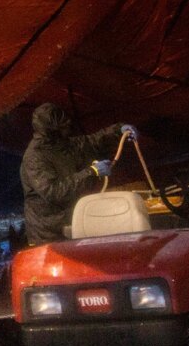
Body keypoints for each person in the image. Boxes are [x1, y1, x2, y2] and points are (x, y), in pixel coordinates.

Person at [20, 103, 129, 245]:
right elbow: (54, 192)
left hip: (72, 224)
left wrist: (119, 130)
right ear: (53, 130)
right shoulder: (35, 157)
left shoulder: (65, 144)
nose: (68, 128)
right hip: (48, 235)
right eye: (63, 126)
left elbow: (93, 141)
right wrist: (92, 172)